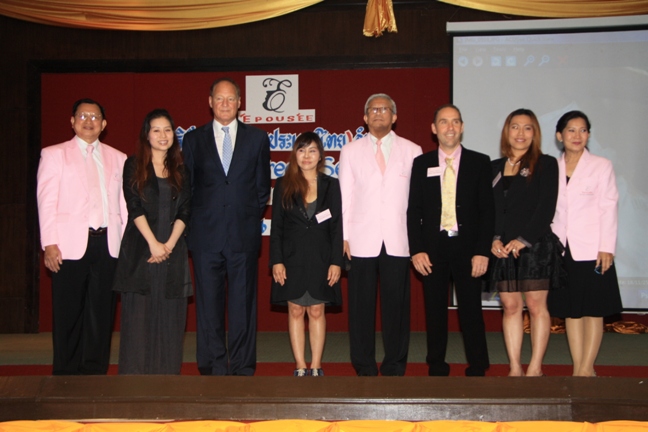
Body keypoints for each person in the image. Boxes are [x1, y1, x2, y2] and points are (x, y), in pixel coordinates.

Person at [182, 77, 271, 376]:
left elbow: (262, 188)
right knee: (208, 306)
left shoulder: (257, 139)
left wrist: (246, 219)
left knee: (243, 306)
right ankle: (213, 366)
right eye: (219, 98)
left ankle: (243, 366)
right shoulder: (193, 140)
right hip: (205, 237)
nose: (225, 104)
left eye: (230, 98)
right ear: (210, 102)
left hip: (242, 236)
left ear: (239, 103)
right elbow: (188, 188)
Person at [37, 98, 127, 375]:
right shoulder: (54, 154)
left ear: (104, 124)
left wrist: (125, 248)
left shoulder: (119, 158)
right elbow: (46, 201)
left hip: (107, 245)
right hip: (68, 246)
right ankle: (65, 373)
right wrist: (49, 243)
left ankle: (95, 373)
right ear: (72, 121)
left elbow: (123, 206)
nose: (89, 121)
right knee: (68, 313)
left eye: (95, 117)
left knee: (101, 313)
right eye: (83, 116)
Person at [339, 93, 422, 376]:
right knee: (360, 307)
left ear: (394, 117)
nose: (378, 113)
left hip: (399, 240)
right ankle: (363, 365)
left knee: (396, 308)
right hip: (360, 240)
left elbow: (417, 202)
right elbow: (344, 196)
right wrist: (343, 236)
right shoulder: (350, 151)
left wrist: (417, 240)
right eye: (373, 109)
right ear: (365, 117)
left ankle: (394, 365)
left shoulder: (413, 150)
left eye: (384, 109)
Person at [407, 104, 494, 377]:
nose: (450, 127)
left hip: (469, 248)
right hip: (433, 247)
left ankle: (478, 365)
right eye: (444, 122)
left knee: (471, 309)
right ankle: (436, 363)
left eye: (455, 121)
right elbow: (414, 210)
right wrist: (416, 249)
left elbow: (487, 211)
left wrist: (483, 251)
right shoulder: (422, 164)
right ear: (434, 129)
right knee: (434, 310)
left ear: (462, 127)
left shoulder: (480, 162)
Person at [112, 109, 192, 374]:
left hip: (172, 252)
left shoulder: (182, 170)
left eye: (167, 129)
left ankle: (166, 379)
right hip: (141, 250)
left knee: (170, 317)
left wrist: (168, 245)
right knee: (139, 318)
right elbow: (133, 206)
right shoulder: (133, 165)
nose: (162, 135)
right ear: (147, 135)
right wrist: (154, 244)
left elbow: (185, 211)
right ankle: (134, 382)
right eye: (156, 130)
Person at [548, 111, 622, 377]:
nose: (577, 135)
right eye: (571, 130)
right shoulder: (551, 167)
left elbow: (608, 207)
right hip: (561, 248)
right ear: (560, 135)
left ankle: (586, 368)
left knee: (593, 310)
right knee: (572, 311)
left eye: (583, 130)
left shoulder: (601, 165)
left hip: (593, 249)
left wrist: (607, 246)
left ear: (588, 135)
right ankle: (577, 367)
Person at [489, 108, 561, 377]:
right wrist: (494, 239)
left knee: (536, 305)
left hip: (535, 246)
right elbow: (489, 210)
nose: (520, 133)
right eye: (515, 127)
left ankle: (535, 367)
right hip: (502, 249)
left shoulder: (546, 164)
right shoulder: (493, 167)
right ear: (507, 132)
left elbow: (546, 208)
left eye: (527, 127)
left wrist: (523, 240)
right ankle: (515, 367)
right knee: (510, 307)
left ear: (535, 133)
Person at [270, 132, 343, 377]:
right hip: (292, 259)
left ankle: (316, 366)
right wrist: (277, 260)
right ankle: (300, 366)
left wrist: (336, 261)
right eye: (301, 150)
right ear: (295, 155)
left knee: (316, 311)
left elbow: (337, 227)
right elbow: (277, 227)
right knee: (295, 310)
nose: (307, 156)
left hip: (322, 258)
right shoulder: (283, 184)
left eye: (312, 150)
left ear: (321, 155)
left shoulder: (331, 185)